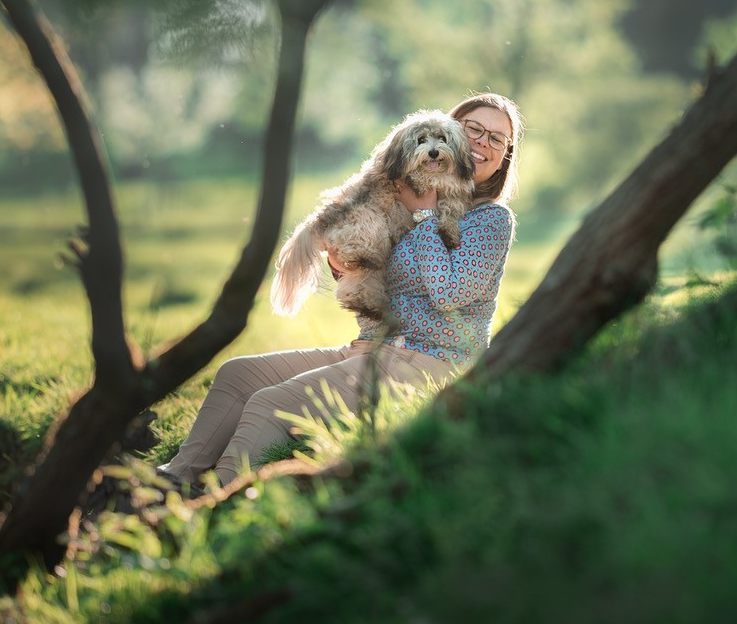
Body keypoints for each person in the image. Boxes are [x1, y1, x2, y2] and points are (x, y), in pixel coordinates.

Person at [159, 92, 523, 487]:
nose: (483, 143)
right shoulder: (401, 199)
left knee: (270, 404)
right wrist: (342, 265)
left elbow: (450, 293)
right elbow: (384, 285)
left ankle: (215, 508)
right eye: (474, 129)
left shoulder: (490, 221)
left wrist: (426, 211)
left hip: (432, 365)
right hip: (375, 349)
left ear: (504, 156)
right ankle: (170, 484)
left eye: (498, 139)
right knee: (238, 375)